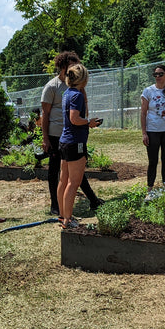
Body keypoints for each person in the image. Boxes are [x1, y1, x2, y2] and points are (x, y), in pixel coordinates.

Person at [40, 50, 103, 216]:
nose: (77, 68)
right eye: (73, 65)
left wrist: (86, 120)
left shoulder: (73, 87)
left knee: (72, 173)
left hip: (71, 136)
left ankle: (90, 201)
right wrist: (45, 138)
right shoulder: (52, 87)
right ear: (63, 67)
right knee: (58, 173)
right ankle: (57, 207)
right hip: (57, 135)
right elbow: (45, 115)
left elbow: (81, 110)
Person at [58, 63, 102, 228]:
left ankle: (62, 216)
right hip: (75, 142)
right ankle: (68, 221)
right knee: (74, 182)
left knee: (63, 180)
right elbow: (74, 119)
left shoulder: (67, 93)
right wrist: (89, 123)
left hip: (64, 142)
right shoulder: (76, 95)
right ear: (83, 78)